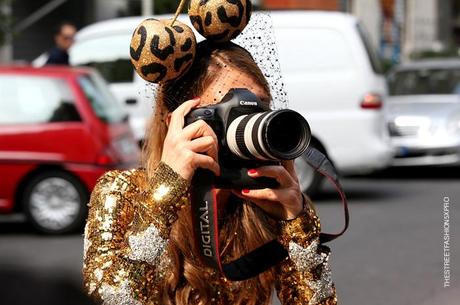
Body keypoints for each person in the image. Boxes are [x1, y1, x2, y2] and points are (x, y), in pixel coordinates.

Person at [83, 41, 337, 305]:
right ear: (178, 124)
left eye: (258, 108)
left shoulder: (270, 202)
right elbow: (110, 299)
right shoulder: (123, 192)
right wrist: (166, 193)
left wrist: (297, 226)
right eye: (228, 113)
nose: (247, 123)